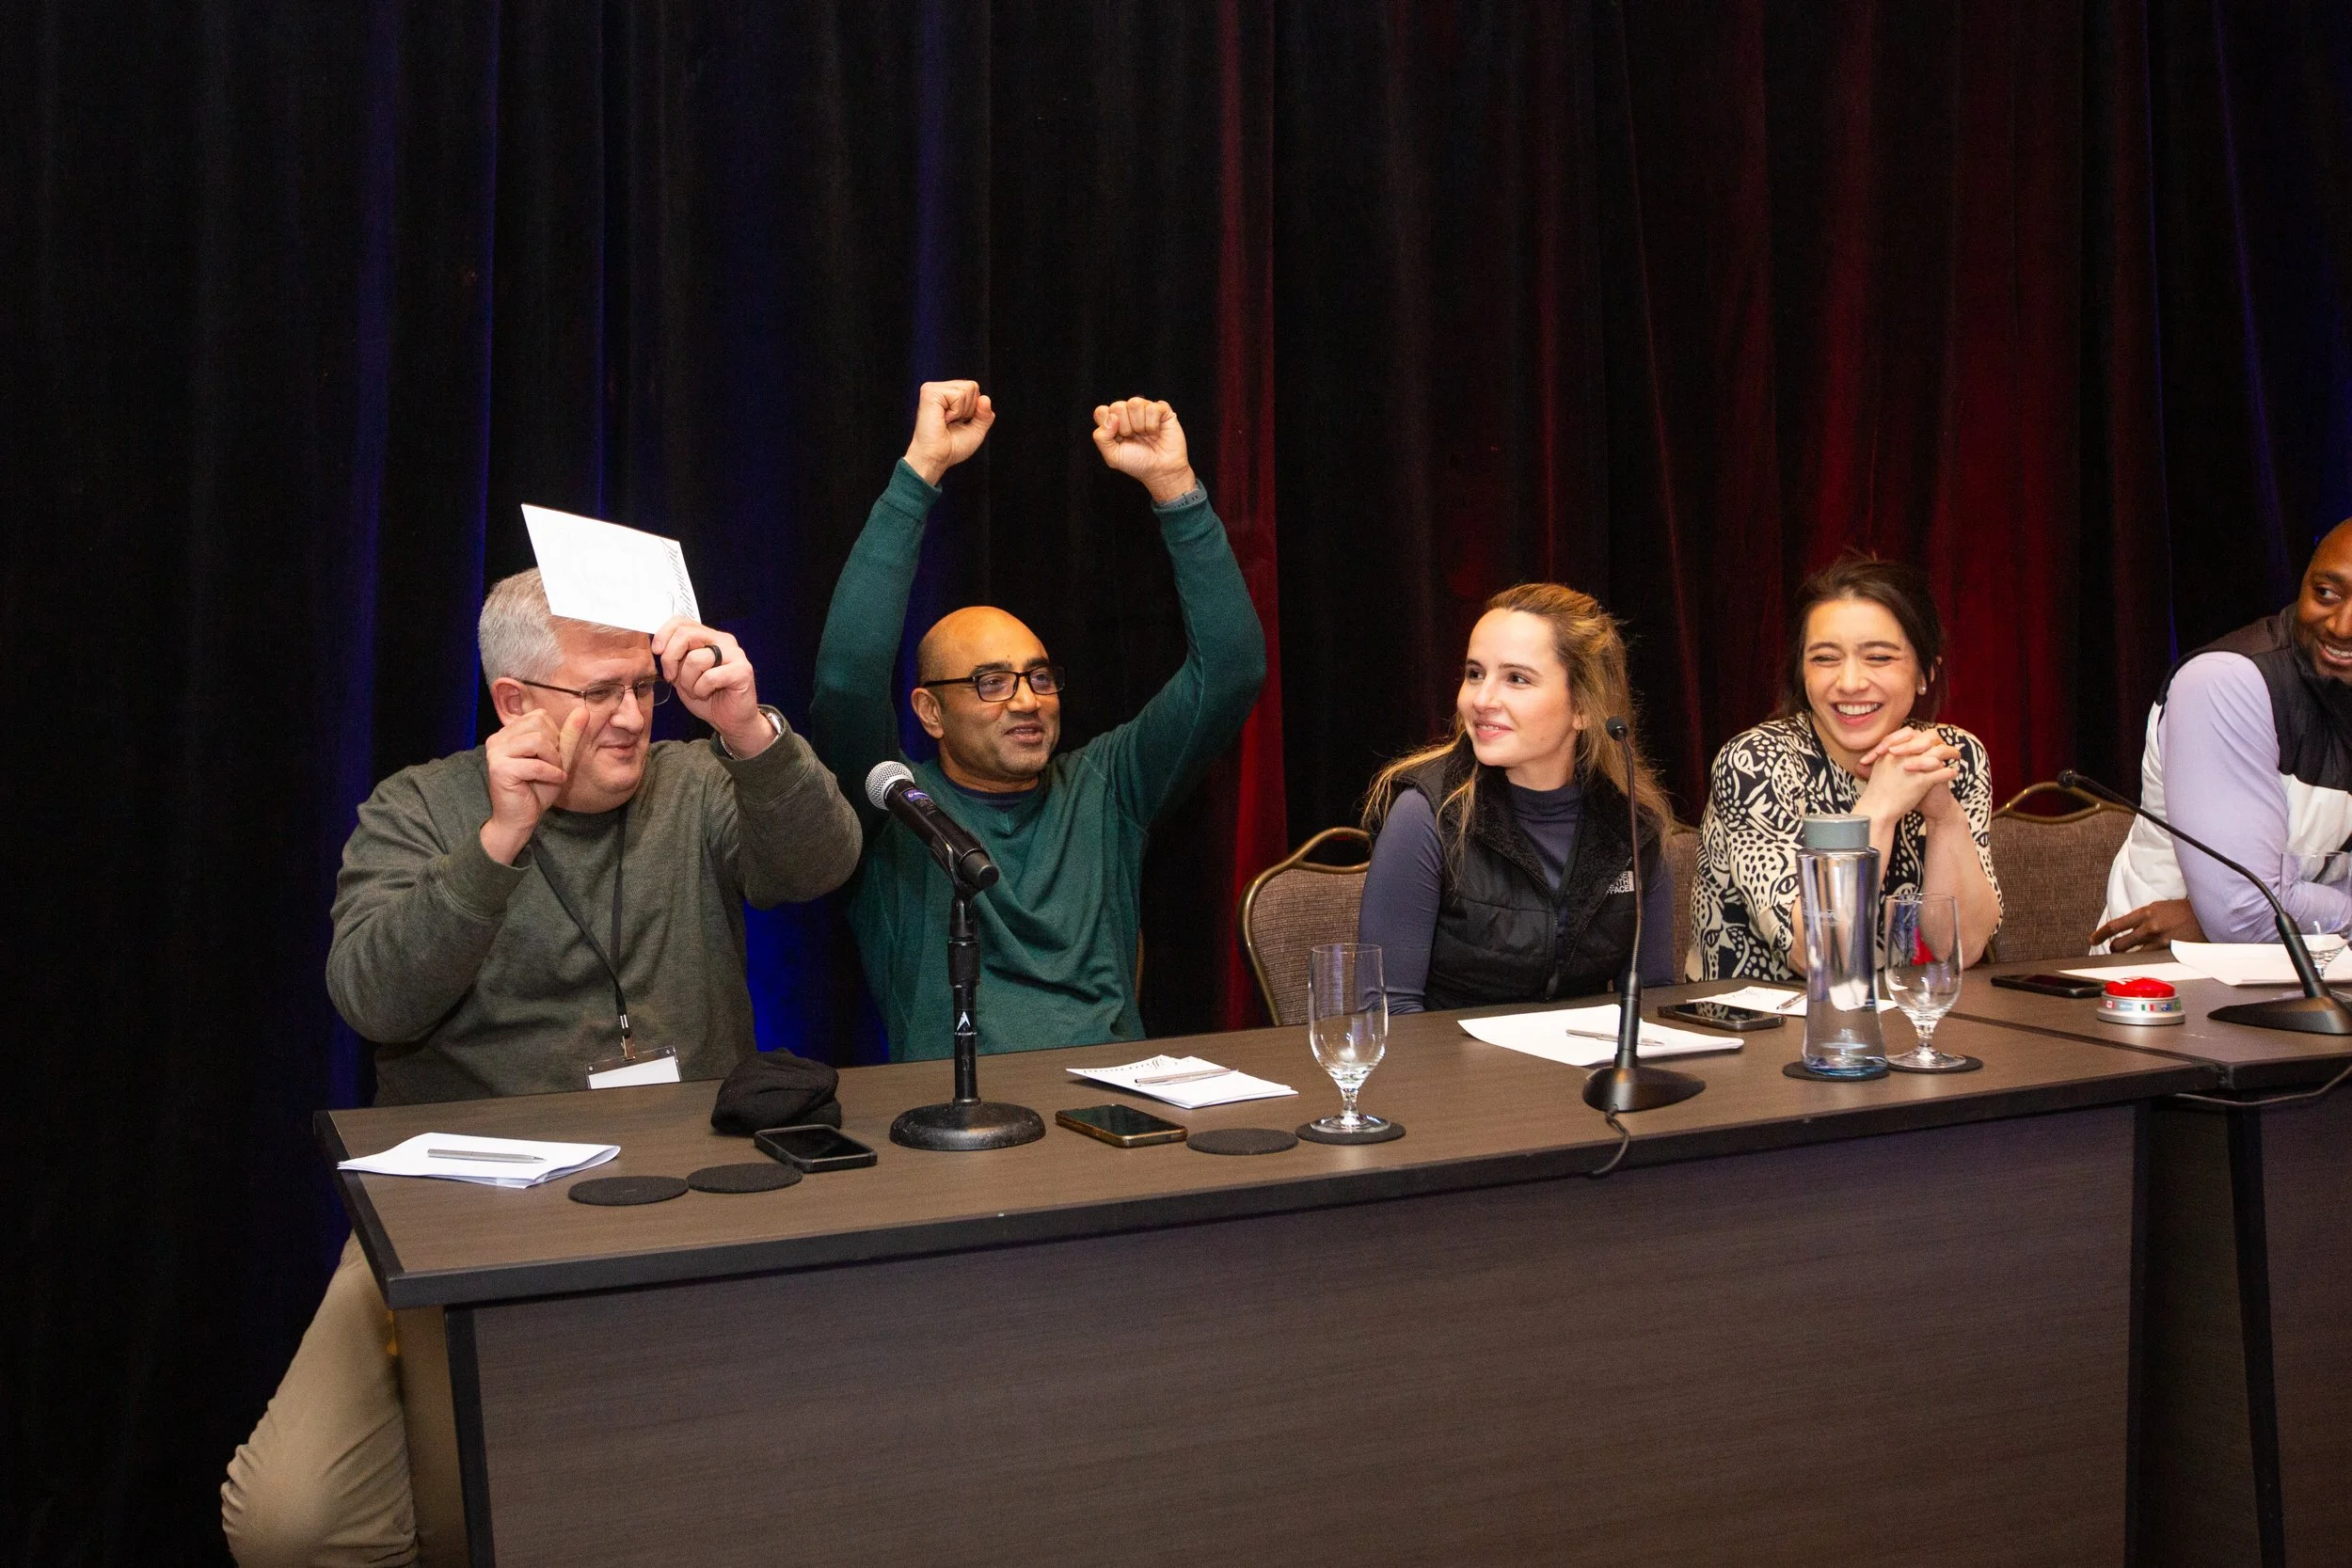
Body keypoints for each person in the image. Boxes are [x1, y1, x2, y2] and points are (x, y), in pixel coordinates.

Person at [222, 571, 860, 1566]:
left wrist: (746, 727)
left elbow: (820, 861)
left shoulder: (696, 781)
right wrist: (496, 842)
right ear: (516, 701)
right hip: (461, 1210)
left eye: (642, 689)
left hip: (690, 1187)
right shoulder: (418, 806)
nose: (630, 718)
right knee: (290, 1520)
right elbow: (372, 998)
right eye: (598, 693)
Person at [811, 382, 1265, 1059]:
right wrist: (920, 473)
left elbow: (1231, 669)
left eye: (1040, 676)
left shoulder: (1108, 786)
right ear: (929, 710)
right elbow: (847, 678)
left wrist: (1175, 485)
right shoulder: (896, 808)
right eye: (991, 683)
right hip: (960, 1131)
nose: (1027, 700)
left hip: (1118, 1114)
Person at [1357, 584, 1677, 1011]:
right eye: (1475, 674)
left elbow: (1651, 1004)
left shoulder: (1635, 826)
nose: (1483, 699)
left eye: (1516, 679)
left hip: (1580, 1073)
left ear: (1583, 707)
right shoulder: (1426, 814)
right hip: (1449, 1073)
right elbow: (1386, 1015)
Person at [1694, 555, 2001, 980]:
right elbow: (1819, 952)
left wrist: (1944, 815)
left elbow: (1961, 949)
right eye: (1825, 658)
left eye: (1878, 657)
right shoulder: (1755, 762)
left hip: (1903, 1025)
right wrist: (1878, 807)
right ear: (1801, 672)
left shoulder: (1951, 756)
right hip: (1765, 1031)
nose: (1851, 682)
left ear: (1925, 672)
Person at [2095, 518, 2352, 951]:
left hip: (2320, 979)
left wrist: (2278, 911)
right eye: (2325, 593)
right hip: (2167, 986)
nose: (2341, 626)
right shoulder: (2226, 684)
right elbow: (2246, 918)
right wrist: (2244, 914)